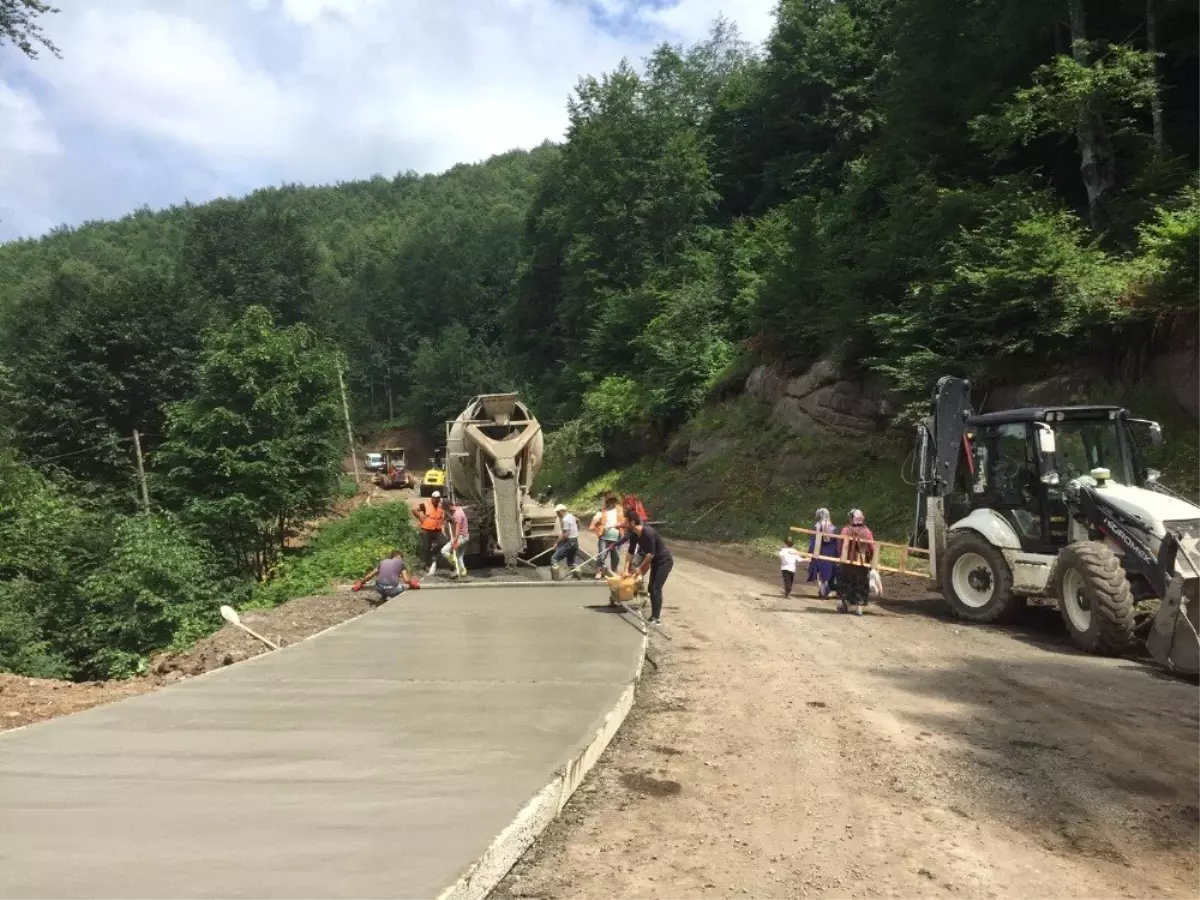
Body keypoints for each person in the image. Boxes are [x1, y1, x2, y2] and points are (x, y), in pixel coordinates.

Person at [624, 511, 673, 626]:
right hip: (655, 562)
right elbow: (630, 552)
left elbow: (650, 554)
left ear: (632, 522)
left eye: (626, 522)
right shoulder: (634, 534)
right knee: (651, 588)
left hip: (664, 562)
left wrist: (640, 570)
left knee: (656, 588)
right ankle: (653, 616)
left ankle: (656, 619)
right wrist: (626, 569)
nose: (624, 524)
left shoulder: (648, 532)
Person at [838, 509, 877, 616]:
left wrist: (840, 556)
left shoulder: (845, 530)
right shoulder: (867, 531)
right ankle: (859, 608)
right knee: (861, 583)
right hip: (862, 563)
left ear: (852, 518)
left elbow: (840, 545)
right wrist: (872, 561)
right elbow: (872, 548)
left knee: (845, 582)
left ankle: (844, 604)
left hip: (847, 563)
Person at [806, 507, 839, 599]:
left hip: (819, 550)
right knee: (828, 571)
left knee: (819, 571)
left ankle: (822, 590)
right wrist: (837, 553)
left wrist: (810, 551)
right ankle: (825, 589)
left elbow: (814, 540)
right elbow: (835, 542)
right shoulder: (833, 527)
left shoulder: (817, 525)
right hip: (831, 552)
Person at [591, 494, 626, 579]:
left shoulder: (620, 510)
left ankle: (614, 571)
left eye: (613, 500)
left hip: (617, 537)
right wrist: (593, 523)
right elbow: (596, 518)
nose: (611, 502)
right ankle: (599, 571)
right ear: (607, 502)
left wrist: (616, 525)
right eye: (609, 501)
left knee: (616, 556)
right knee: (602, 555)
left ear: (615, 501)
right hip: (604, 537)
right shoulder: (602, 511)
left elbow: (624, 521)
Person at [412, 492, 447, 576]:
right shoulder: (425, 505)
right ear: (432, 498)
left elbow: (444, 514)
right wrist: (420, 517)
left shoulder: (440, 505)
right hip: (426, 530)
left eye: (438, 498)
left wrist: (442, 522)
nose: (437, 500)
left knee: (443, 542)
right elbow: (414, 509)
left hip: (437, 529)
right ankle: (424, 565)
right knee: (425, 547)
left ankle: (434, 558)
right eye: (436, 498)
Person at [440, 500, 469, 578]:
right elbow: (450, 516)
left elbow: (457, 529)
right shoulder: (457, 509)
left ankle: (456, 564)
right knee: (459, 556)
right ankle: (462, 572)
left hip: (461, 536)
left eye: (445, 508)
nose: (445, 510)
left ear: (449, 507)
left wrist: (455, 541)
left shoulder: (457, 515)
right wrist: (449, 519)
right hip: (465, 536)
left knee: (444, 550)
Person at [552, 503, 579, 571]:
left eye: (557, 512)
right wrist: (574, 531)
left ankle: (556, 579)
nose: (557, 514)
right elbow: (578, 520)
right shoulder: (571, 516)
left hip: (570, 542)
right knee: (571, 563)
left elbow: (566, 535)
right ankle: (578, 577)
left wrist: (557, 543)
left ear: (561, 511)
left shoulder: (565, 520)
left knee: (554, 559)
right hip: (575, 541)